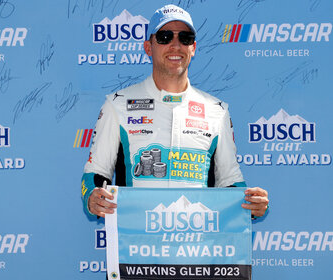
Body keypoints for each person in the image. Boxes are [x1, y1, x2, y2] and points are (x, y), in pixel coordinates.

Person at [81, 4, 268, 219]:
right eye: (165, 36)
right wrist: (92, 197)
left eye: (185, 38)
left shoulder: (217, 110)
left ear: (193, 48)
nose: (175, 45)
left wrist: (252, 204)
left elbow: (229, 181)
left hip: (196, 244)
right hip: (135, 244)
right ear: (148, 47)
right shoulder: (118, 104)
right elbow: (95, 174)